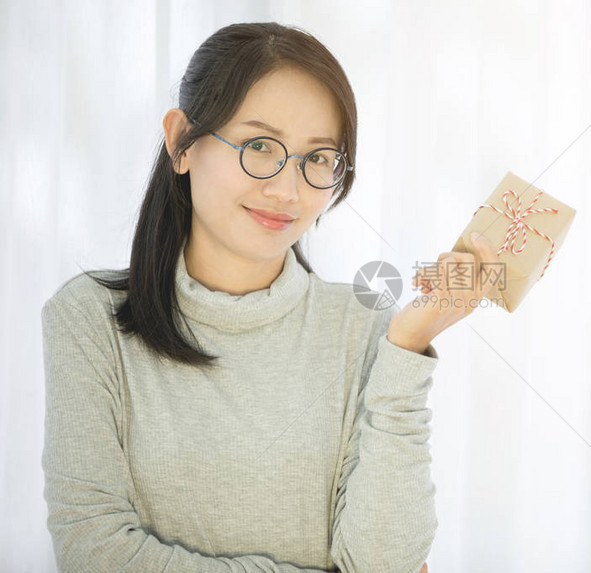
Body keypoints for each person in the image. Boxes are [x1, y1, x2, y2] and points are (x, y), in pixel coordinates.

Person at [40, 22, 499, 573]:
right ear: (180, 140)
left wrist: (407, 346)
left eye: (319, 158)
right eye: (259, 145)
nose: (288, 190)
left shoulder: (365, 329)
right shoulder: (88, 319)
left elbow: (385, 563)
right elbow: (95, 555)